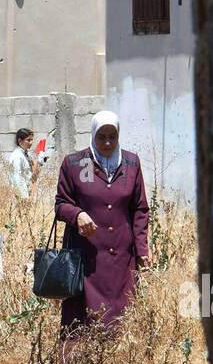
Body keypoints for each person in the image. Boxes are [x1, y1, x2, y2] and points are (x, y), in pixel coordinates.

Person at [53, 110, 150, 339]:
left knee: (121, 314)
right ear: (93, 135)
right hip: (87, 257)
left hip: (121, 258)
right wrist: (77, 215)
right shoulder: (75, 163)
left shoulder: (131, 163)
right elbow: (60, 204)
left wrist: (143, 250)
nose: (107, 142)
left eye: (112, 136)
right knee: (83, 321)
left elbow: (140, 210)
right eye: (101, 136)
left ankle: (116, 363)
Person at [6, 127, 40, 199]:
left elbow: (32, 176)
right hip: (21, 197)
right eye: (28, 140)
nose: (31, 142)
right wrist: (25, 198)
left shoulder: (25, 154)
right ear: (20, 141)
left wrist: (40, 163)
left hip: (27, 193)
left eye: (32, 140)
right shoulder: (17, 156)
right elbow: (17, 178)